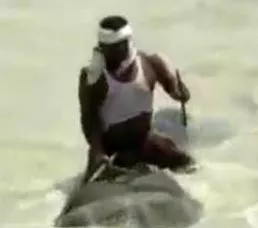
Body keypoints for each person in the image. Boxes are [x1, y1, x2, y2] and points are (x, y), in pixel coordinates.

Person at [77, 15, 196, 182]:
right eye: (110, 49)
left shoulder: (150, 63)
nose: (115, 53)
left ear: (127, 42)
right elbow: (89, 119)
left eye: (119, 47)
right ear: (102, 48)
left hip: (142, 141)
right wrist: (98, 151)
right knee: (92, 184)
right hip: (111, 149)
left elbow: (177, 93)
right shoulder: (93, 77)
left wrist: (181, 91)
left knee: (187, 163)